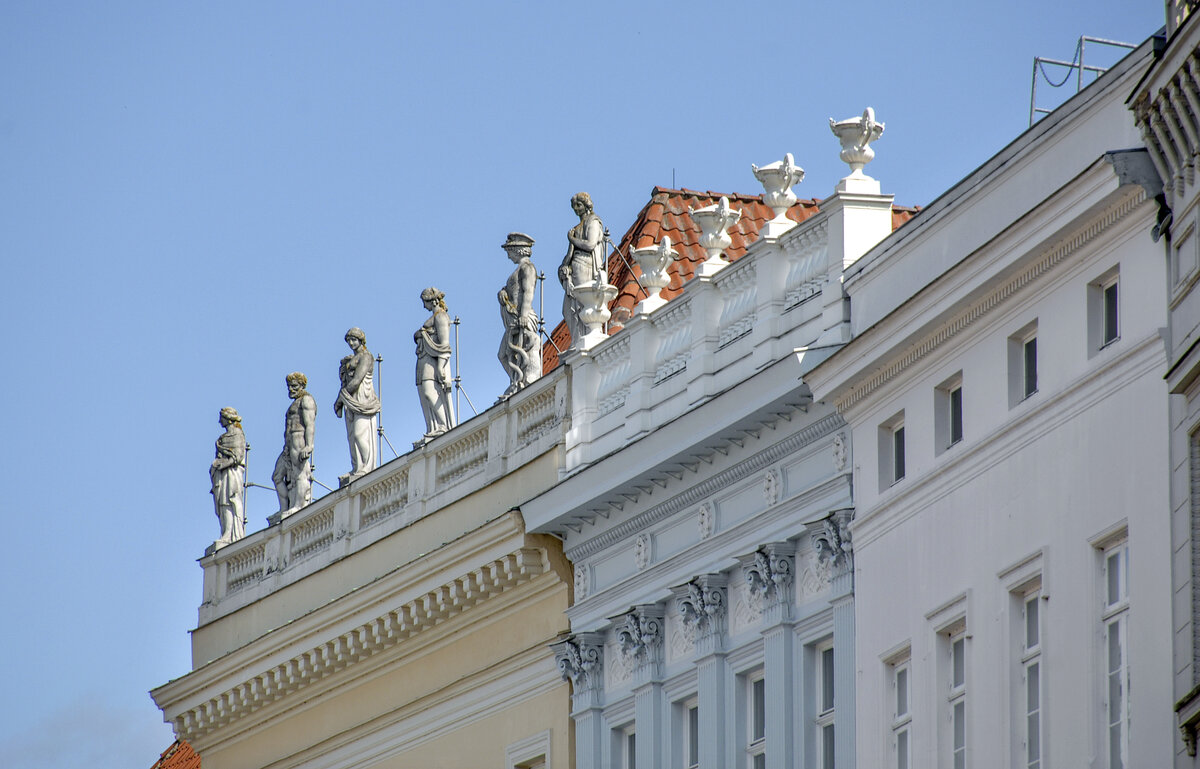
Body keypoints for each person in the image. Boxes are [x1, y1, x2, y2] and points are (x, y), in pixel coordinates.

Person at [334, 327, 381, 486]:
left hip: (362, 399)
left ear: (361, 339)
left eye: (354, 339)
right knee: (352, 436)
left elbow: (356, 381)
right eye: (349, 341)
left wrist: (340, 399)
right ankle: (357, 468)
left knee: (361, 434)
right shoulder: (350, 359)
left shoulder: (366, 357)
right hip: (350, 400)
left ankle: (367, 468)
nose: (351, 343)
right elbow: (348, 382)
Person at [497, 232, 542, 398]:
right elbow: (513, 290)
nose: (508, 256)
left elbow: (527, 291)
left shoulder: (527, 268)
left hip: (522, 317)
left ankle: (529, 380)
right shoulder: (517, 271)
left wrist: (523, 314)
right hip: (513, 318)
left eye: (509, 251)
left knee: (530, 344)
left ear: (518, 250)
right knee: (503, 354)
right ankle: (517, 381)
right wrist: (502, 292)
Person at [558, 192, 606, 346]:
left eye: (578, 205)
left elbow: (591, 245)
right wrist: (564, 268)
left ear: (586, 205)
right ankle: (577, 340)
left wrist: (572, 239)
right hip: (575, 268)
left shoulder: (593, 222)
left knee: (583, 304)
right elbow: (569, 255)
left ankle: (585, 338)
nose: (576, 209)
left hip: (586, 267)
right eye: (574, 207)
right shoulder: (576, 228)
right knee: (568, 309)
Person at [272, 372, 317, 515]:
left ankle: (299, 505)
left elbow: (310, 425)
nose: (291, 389)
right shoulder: (295, 402)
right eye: (289, 386)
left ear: (302, 386)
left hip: (298, 439)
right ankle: (284, 508)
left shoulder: (306, 400)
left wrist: (309, 445)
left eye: (294, 386)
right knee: (277, 476)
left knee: (300, 473)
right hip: (288, 444)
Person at [415, 287, 455, 442]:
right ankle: (433, 428)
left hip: (432, 361)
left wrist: (441, 367)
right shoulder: (434, 316)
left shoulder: (441, 317)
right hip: (424, 359)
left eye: (424, 302)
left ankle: (443, 426)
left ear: (431, 300)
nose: (423, 306)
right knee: (424, 395)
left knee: (429, 392)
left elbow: (444, 345)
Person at [209, 407, 246, 550]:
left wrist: (223, 464)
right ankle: (226, 532)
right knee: (222, 502)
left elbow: (238, 456)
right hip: (222, 475)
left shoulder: (237, 435)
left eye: (221, 417)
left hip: (232, 473)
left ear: (228, 418)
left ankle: (232, 534)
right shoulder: (221, 439)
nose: (219, 421)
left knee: (231, 500)